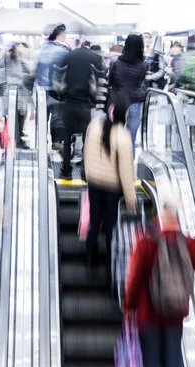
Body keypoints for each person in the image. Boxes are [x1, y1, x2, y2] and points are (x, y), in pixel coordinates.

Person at [124, 197, 195, 367]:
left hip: (148, 314)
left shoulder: (146, 243)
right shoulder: (188, 244)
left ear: (159, 219)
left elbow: (134, 280)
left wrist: (129, 306)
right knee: (173, 359)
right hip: (176, 313)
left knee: (151, 362)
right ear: (177, 221)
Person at [84, 95, 136, 268]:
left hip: (93, 183)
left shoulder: (94, 126)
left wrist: (88, 174)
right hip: (112, 188)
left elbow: (86, 153)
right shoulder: (123, 135)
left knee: (94, 221)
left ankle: (90, 260)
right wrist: (130, 198)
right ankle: (110, 262)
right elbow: (126, 171)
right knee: (110, 225)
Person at [57, 38, 105, 178]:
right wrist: (98, 102)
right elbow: (101, 81)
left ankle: (66, 171)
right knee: (87, 140)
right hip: (85, 105)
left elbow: (59, 79)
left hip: (69, 103)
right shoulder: (95, 58)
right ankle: (85, 172)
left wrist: (61, 96)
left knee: (67, 140)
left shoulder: (68, 56)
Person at [35, 23, 70, 150]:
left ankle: (41, 140)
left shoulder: (40, 50)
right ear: (59, 34)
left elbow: (33, 70)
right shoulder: (63, 51)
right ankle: (56, 141)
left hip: (41, 90)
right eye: (65, 33)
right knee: (57, 118)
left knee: (42, 117)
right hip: (58, 91)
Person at [109, 33, 146, 151]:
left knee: (116, 135)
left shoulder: (116, 63)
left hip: (119, 102)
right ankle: (129, 166)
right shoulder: (143, 65)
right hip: (136, 102)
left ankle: (116, 163)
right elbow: (141, 81)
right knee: (131, 139)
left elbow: (111, 81)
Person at [4, 43, 31, 150]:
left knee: (21, 115)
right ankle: (17, 141)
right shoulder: (7, 56)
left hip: (19, 90)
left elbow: (28, 70)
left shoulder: (19, 59)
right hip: (12, 91)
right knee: (14, 117)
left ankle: (18, 137)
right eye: (17, 48)